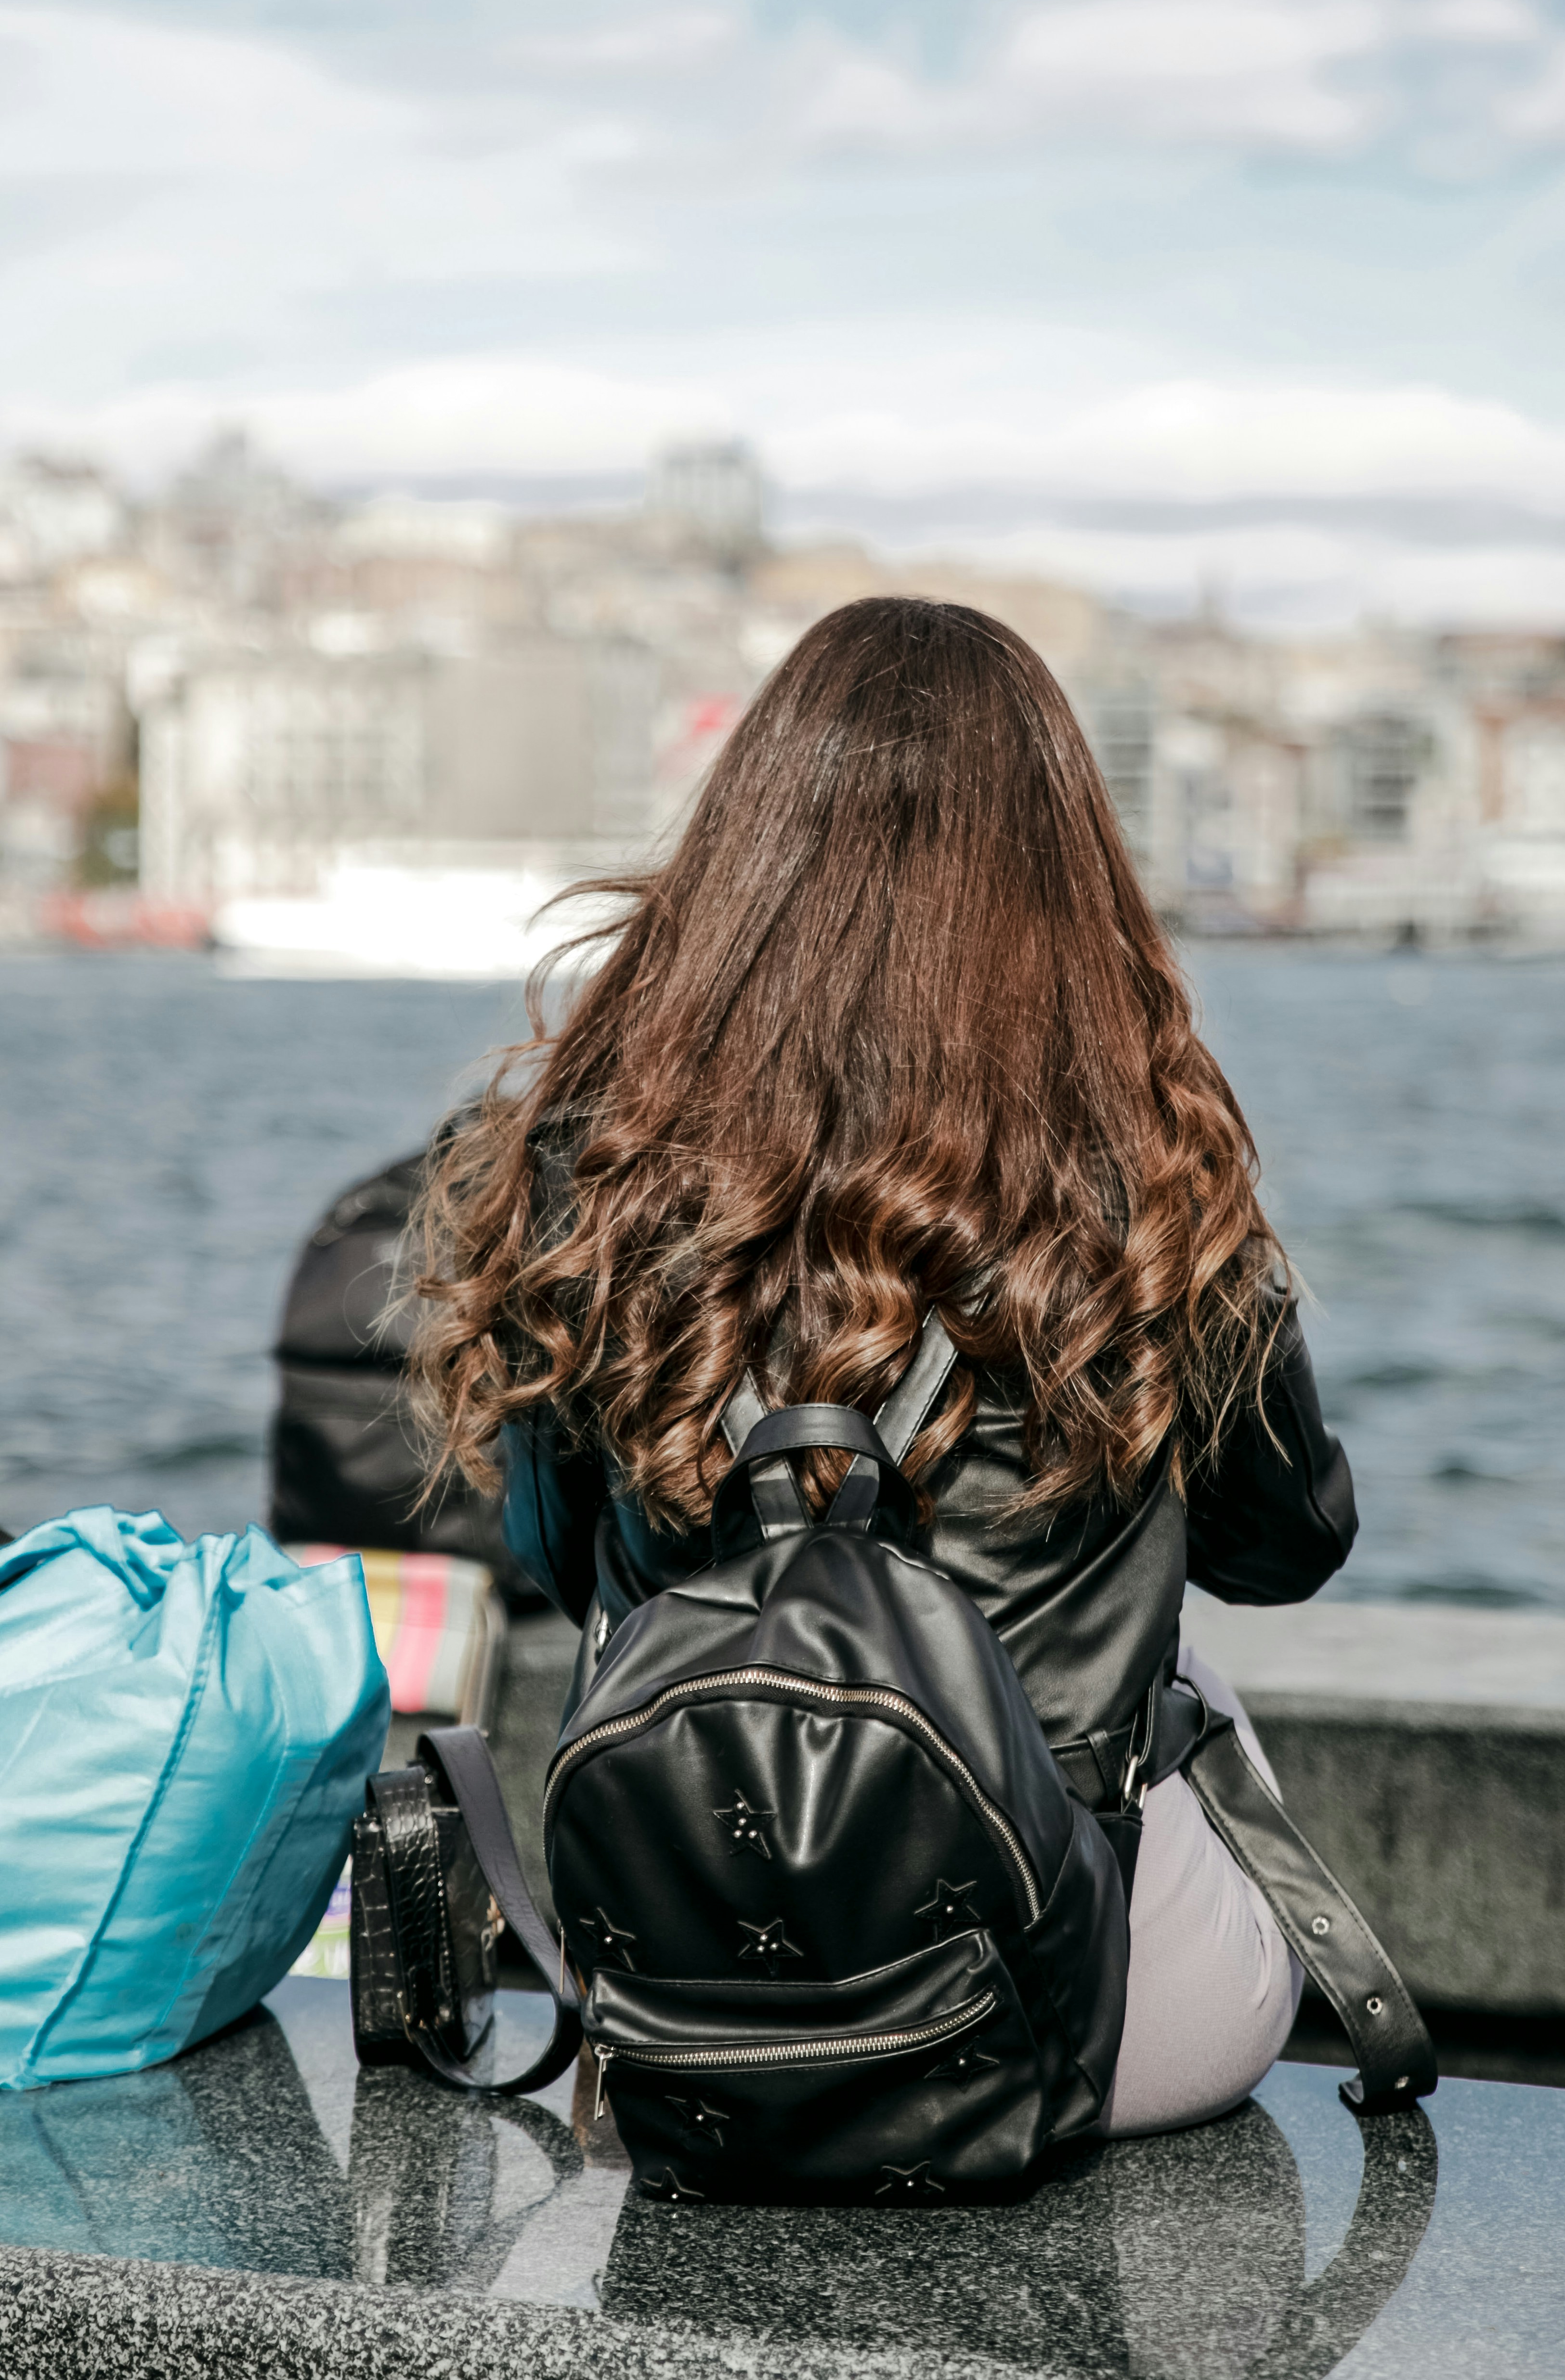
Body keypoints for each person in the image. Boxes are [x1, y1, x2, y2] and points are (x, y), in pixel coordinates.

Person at [413, 596, 1356, 2137]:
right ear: (1065, 868)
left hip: (691, 2004)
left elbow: (546, 1551)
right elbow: (1285, 1547)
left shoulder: (587, 1168)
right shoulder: (1146, 1177)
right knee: (1185, 1682)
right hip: (1075, 2025)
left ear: (745, 851)